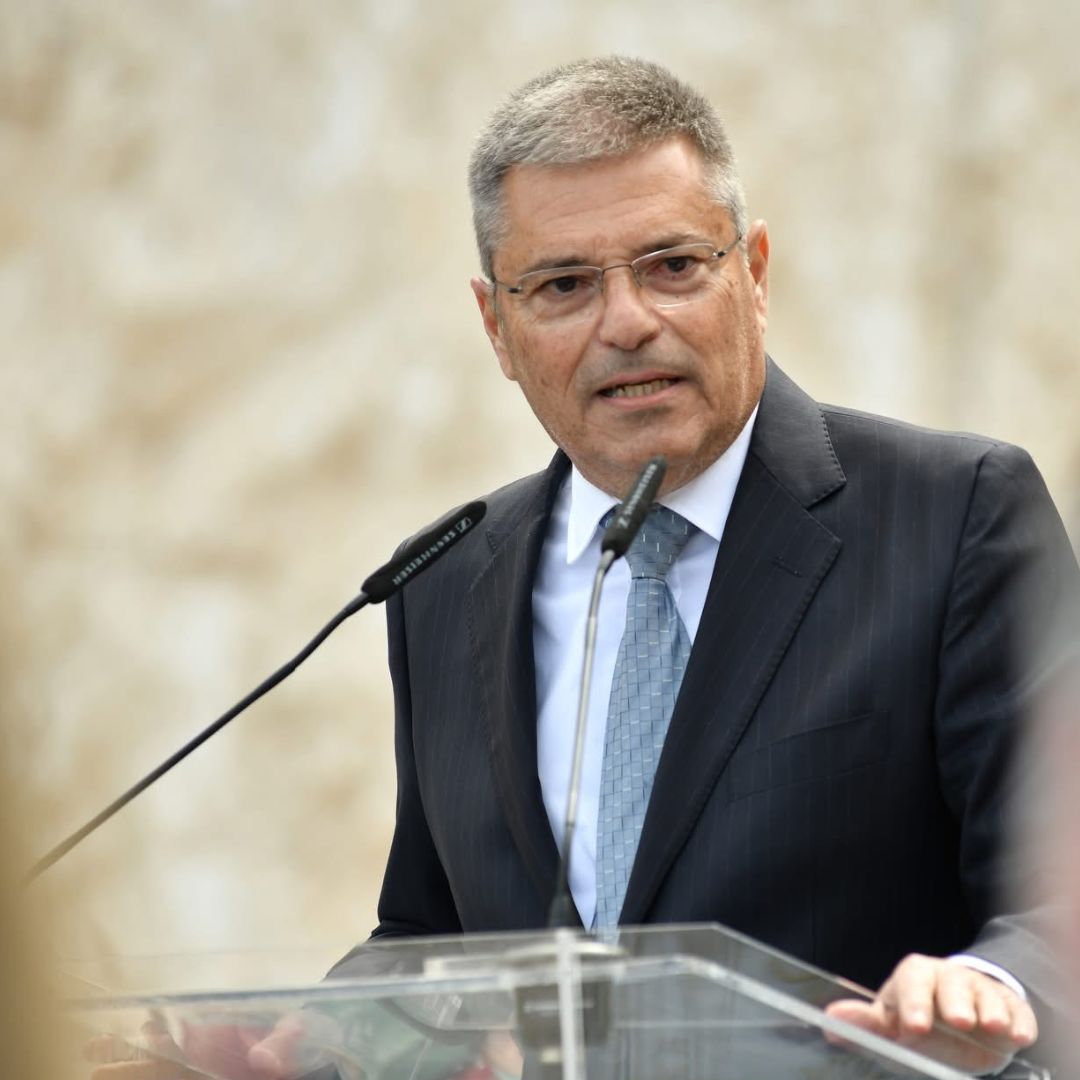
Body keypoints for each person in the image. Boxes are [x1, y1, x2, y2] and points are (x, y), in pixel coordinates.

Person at [354, 55, 1078, 1075]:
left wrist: (988, 987)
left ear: (755, 274)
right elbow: (426, 937)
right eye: (564, 285)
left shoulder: (954, 517)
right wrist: (305, 1041)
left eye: (672, 266)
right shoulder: (443, 581)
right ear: (497, 328)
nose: (626, 322)